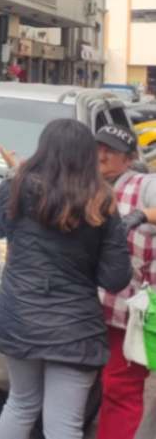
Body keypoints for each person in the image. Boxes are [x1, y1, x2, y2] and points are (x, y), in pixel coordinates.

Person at [0, 119, 132, 439]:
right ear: (87, 154)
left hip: (19, 316)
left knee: (20, 403)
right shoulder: (102, 200)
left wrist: (14, 174)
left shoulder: (17, 187)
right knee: (64, 424)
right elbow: (115, 278)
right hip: (75, 328)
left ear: (43, 150)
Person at [93, 124, 156, 439]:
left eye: (111, 151)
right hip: (87, 307)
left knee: (121, 387)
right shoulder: (82, 183)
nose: (101, 155)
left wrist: (141, 215)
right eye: (98, 147)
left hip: (131, 314)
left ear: (129, 159)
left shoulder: (144, 185)